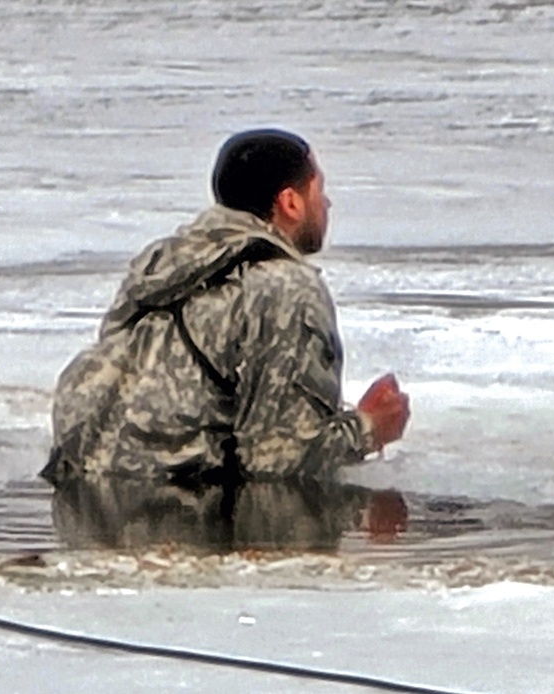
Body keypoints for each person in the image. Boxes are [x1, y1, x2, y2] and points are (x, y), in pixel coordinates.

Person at [42, 128, 409, 487]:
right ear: (290, 203)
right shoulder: (286, 286)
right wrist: (370, 427)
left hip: (82, 495)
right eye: (319, 190)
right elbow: (276, 461)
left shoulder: (161, 263)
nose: (327, 203)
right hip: (173, 513)